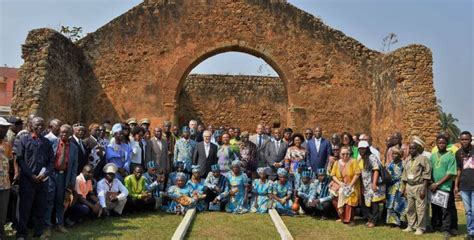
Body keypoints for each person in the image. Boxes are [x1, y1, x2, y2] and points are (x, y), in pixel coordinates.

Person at [15, 117, 54, 239]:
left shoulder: (46, 142)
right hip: (27, 181)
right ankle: (22, 234)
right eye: (37, 125)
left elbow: (51, 162)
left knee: (40, 208)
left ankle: (39, 232)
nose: (40, 127)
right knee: (25, 209)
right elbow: (20, 159)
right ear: (31, 126)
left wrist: (45, 173)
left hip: (42, 181)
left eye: (42, 125)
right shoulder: (23, 140)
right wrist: (31, 175)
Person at [44, 124, 78, 234]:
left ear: (70, 134)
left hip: (64, 177)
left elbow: (74, 165)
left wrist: (72, 181)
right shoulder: (52, 143)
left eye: (66, 133)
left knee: (60, 201)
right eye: (62, 132)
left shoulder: (74, 147)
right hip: (52, 175)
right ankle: (47, 226)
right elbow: (47, 160)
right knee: (49, 201)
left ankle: (59, 224)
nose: (63, 134)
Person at [430, 134, 458, 238]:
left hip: (445, 187)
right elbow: (430, 171)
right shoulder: (432, 156)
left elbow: (450, 173)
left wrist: (437, 183)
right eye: (439, 143)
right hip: (434, 187)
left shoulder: (450, 156)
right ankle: (436, 226)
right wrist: (432, 183)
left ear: (447, 144)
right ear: (436, 143)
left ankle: (447, 229)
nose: (441, 144)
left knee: (446, 210)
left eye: (443, 143)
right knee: (435, 208)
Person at [402, 142, 431, 235]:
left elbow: (427, 174)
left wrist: (424, 188)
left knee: (420, 208)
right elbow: (404, 175)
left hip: (419, 186)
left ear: (417, 149)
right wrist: (404, 189)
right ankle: (411, 225)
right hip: (409, 186)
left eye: (413, 148)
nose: (411, 150)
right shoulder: (407, 159)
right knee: (410, 208)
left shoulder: (423, 159)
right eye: (410, 149)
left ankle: (421, 227)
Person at [330, 146, 361, 226]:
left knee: (349, 200)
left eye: (347, 154)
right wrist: (340, 184)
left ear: (350, 154)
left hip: (352, 186)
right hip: (340, 185)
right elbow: (333, 175)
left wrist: (350, 185)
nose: (345, 156)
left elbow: (357, 174)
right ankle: (342, 218)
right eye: (343, 154)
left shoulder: (353, 161)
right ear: (340, 154)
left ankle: (350, 220)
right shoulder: (337, 163)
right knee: (335, 198)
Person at [358, 140, 386, 228]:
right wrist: (362, 186)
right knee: (368, 204)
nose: (362, 150)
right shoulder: (361, 158)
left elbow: (376, 170)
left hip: (373, 184)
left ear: (367, 149)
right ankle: (370, 219)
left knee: (374, 203)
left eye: (363, 148)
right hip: (366, 186)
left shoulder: (371, 157)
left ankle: (374, 221)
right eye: (360, 149)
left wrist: (374, 183)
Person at [455, 131, 474, 240]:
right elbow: (458, 170)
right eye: (462, 139)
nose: (464, 141)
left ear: (470, 140)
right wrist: (456, 185)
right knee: (468, 211)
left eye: (466, 139)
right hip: (464, 186)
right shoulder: (458, 153)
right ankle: (471, 233)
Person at [386, 146, 407, 227]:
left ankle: (402, 221)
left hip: (400, 186)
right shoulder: (390, 164)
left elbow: (405, 176)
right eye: (393, 154)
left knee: (400, 203)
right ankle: (393, 222)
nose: (394, 155)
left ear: (400, 155)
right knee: (391, 204)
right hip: (391, 187)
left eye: (396, 154)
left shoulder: (403, 164)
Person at [0, 117, 12, 238]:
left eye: (6, 127)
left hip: (5, 184)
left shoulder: (7, 144)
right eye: (3, 127)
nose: (5, 129)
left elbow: (10, 160)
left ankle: (1, 233)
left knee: (2, 212)